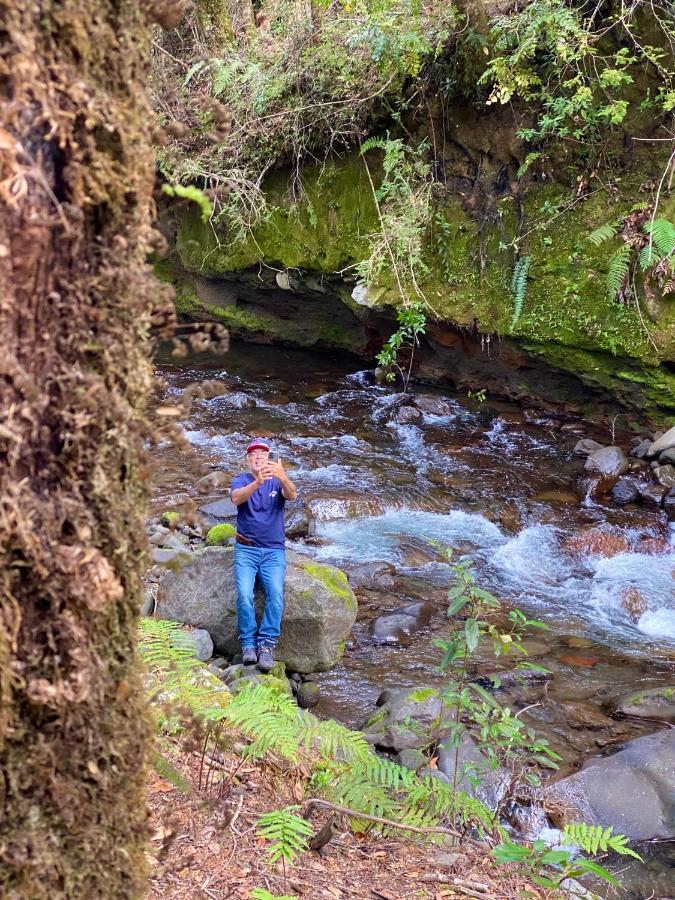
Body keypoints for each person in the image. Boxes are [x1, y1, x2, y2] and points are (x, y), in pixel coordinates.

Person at [230, 440, 297, 672]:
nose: (258, 457)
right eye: (253, 454)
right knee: (244, 594)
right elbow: (236, 498)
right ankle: (248, 644)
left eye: (262, 453)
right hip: (245, 550)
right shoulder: (242, 480)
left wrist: (284, 476)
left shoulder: (278, 480)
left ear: (268, 457)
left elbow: (292, 495)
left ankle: (267, 644)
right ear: (248, 459)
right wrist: (258, 482)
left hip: (273, 551)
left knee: (276, 594)